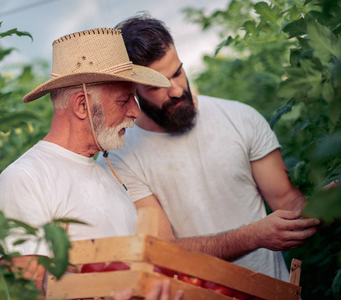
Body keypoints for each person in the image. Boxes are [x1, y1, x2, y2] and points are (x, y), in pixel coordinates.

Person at [100, 15, 320, 281]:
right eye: (156, 86)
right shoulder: (121, 158)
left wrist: (322, 207)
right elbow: (162, 252)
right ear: (131, 88)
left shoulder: (241, 118)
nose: (176, 90)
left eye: (177, 72)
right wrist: (252, 237)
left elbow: (286, 201)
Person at [0, 28, 183, 299]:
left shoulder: (109, 173)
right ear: (82, 106)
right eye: (124, 100)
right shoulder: (27, 178)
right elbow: (23, 293)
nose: (135, 112)